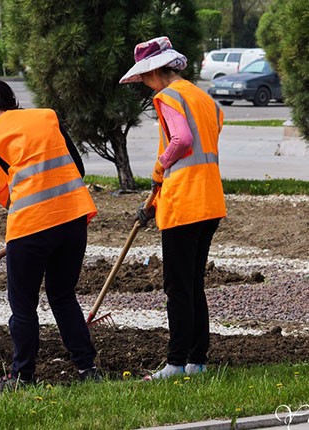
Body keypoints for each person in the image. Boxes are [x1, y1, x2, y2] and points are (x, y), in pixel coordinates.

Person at [0, 81, 100, 392]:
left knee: (23, 306)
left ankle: (23, 377)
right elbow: (79, 168)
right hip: (73, 220)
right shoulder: (46, 116)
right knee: (63, 296)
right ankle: (88, 369)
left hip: (31, 227)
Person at [120, 36, 226, 380]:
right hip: (210, 200)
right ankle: (197, 362)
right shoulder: (204, 98)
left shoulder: (167, 96)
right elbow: (210, 134)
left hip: (185, 202)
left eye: (145, 77)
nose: (145, 84)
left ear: (154, 72)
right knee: (193, 284)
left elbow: (181, 140)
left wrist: (160, 167)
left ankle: (176, 363)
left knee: (177, 288)